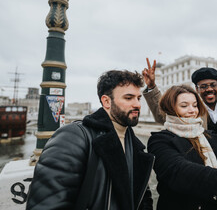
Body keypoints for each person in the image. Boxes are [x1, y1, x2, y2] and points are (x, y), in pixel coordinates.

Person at [26, 70, 154, 210]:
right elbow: (48, 204)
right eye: (129, 98)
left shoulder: (133, 142)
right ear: (106, 101)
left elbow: (142, 196)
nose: (137, 104)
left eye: (138, 98)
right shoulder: (73, 137)